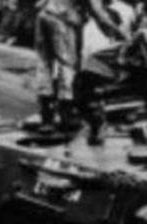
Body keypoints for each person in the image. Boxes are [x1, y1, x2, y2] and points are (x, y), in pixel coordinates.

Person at [33, 0, 120, 130]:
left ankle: (46, 117)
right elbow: (99, 14)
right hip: (61, 18)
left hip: (44, 13)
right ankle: (67, 114)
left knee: (44, 64)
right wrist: (120, 33)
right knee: (67, 65)